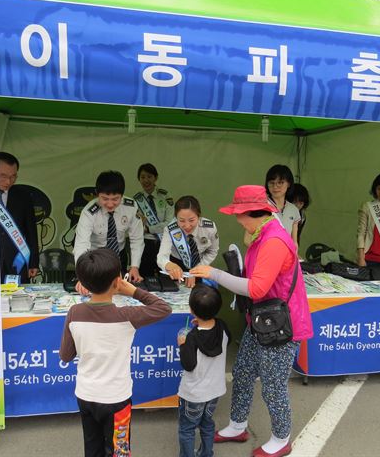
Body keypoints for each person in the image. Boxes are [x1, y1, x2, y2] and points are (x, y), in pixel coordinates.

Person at [191, 185, 312, 457]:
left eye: (238, 214)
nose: (236, 219)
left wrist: (216, 274)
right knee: (243, 372)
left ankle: (282, 438)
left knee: (273, 386)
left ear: (251, 213)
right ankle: (237, 425)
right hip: (261, 320)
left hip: (281, 327)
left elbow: (257, 288)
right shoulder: (262, 233)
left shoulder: (273, 241)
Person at [59, 248, 171, 457]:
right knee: (118, 451)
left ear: (82, 281)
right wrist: (134, 291)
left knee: (92, 448)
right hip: (116, 398)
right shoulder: (127, 315)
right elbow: (163, 308)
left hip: (86, 394)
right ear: (118, 280)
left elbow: (65, 355)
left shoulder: (75, 312)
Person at [177, 284, 230, 457]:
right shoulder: (222, 327)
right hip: (214, 391)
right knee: (207, 424)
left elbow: (188, 364)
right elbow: (224, 341)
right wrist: (201, 323)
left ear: (192, 310)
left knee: (187, 429)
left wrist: (183, 346)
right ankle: (207, 453)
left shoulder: (192, 338)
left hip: (194, 393)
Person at [74, 171, 145, 287]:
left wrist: (134, 267)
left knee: (119, 289)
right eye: (105, 199)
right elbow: (81, 244)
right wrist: (83, 276)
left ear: (122, 196)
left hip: (118, 256)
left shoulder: (131, 207)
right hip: (94, 258)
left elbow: (137, 239)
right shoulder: (89, 212)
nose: (110, 204)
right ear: (97, 194)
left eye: (115, 199)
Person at [157, 196, 219, 288]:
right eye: (181, 220)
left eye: (191, 220)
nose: (187, 225)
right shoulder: (171, 230)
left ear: (199, 216)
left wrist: (197, 270)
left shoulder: (209, 228)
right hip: (176, 266)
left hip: (199, 265)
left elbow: (212, 251)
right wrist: (169, 265)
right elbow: (162, 256)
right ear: (176, 218)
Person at [0, 152, 39, 283]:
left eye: (13, 176)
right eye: (2, 176)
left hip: (17, 260)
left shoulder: (23, 196)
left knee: (19, 299)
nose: (8, 181)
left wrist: (33, 262)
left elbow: (31, 230)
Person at [133, 163, 174, 277]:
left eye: (149, 176)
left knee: (166, 277)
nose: (146, 180)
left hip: (164, 242)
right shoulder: (136, 200)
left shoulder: (165, 197)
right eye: (142, 177)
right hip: (145, 244)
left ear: (155, 178)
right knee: (145, 276)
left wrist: (148, 228)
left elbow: (169, 223)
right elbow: (136, 226)